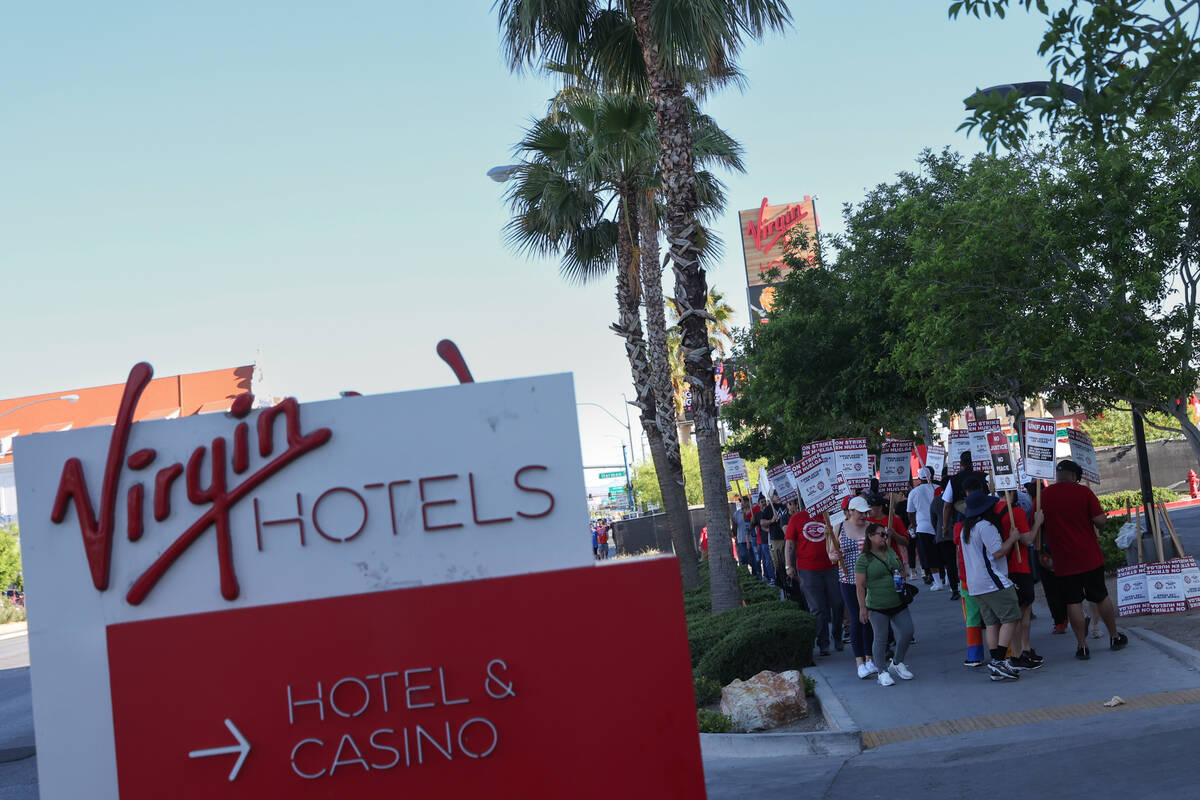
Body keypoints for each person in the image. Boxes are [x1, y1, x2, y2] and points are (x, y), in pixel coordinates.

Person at [1039, 459, 1128, 659]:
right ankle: (1114, 636)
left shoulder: (1043, 496)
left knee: (1073, 602)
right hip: (1089, 556)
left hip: (1062, 558)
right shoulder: (1084, 492)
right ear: (1074, 475)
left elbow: (1037, 525)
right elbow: (1100, 521)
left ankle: (1082, 646)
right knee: (1100, 595)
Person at [958, 477, 1024, 681]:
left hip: (976, 584)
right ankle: (999, 661)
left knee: (992, 623)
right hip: (993, 580)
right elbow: (997, 553)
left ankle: (997, 664)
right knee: (1012, 617)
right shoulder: (985, 526)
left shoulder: (965, 529)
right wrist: (1013, 538)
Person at [855, 523, 916, 686]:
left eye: (886, 535)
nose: (884, 537)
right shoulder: (863, 559)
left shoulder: (890, 551)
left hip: (897, 601)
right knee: (881, 639)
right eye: (881, 534)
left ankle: (897, 662)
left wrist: (902, 574)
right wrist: (862, 608)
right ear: (870, 536)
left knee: (908, 631)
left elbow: (901, 569)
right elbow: (860, 586)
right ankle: (882, 671)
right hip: (877, 605)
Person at [785, 498, 844, 657]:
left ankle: (837, 635)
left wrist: (831, 534)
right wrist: (788, 565)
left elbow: (841, 539)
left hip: (832, 567)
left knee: (838, 603)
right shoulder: (796, 518)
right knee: (818, 608)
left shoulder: (830, 517)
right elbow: (789, 544)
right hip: (808, 570)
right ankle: (823, 643)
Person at [837, 495, 878, 679]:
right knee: (856, 618)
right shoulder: (838, 528)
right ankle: (859, 661)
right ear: (850, 512)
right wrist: (836, 555)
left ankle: (870, 658)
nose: (864, 515)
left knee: (868, 617)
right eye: (860, 512)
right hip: (848, 580)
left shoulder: (871, 528)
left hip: (870, 580)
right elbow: (830, 554)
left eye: (865, 512)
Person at [907, 468, 945, 590]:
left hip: (923, 527)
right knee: (944, 553)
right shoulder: (938, 489)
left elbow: (910, 513)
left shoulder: (914, 492)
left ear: (919, 479)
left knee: (930, 555)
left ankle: (938, 582)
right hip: (940, 525)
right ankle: (948, 579)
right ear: (932, 476)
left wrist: (914, 525)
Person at [753, 493, 777, 584]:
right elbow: (760, 525)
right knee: (767, 560)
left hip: (773, 539)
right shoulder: (757, 515)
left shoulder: (770, 510)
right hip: (763, 540)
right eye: (761, 502)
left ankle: (773, 576)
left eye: (765, 501)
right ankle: (771, 577)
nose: (764, 503)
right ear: (758, 504)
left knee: (774, 559)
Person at [768, 492, 789, 585]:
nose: (778, 497)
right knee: (778, 561)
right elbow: (761, 522)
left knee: (787, 560)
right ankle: (780, 580)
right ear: (773, 497)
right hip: (776, 538)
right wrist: (771, 520)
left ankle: (789, 580)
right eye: (776, 495)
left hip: (787, 537)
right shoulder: (769, 508)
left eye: (779, 494)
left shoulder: (787, 504)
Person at [732, 496, 753, 573]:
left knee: (753, 559)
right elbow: (734, 528)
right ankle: (746, 573)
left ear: (748, 502)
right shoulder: (736, 514)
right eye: (741, 502)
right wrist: (733, 523)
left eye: (744, 501)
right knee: (743, 556)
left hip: (752, 539)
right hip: (741, 539)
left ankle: (756, 575)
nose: (742, 503)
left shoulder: (752, 512)